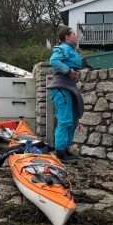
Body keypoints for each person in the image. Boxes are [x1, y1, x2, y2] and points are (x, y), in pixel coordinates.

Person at [47, 26, 84, 163]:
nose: (76, 36)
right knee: (65, 120)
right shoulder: (62, 48)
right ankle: (60, 152)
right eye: (73, 34)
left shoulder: (72, 50)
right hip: (61, 87)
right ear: (67, 37)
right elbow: (54, 61)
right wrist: (68, 71)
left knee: (73, 120)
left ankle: (66, 148)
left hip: (70, 87)